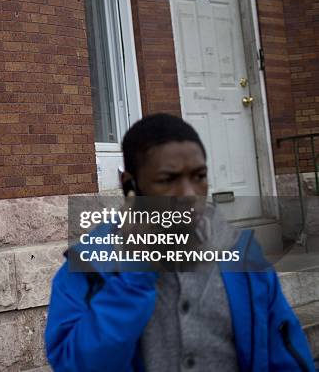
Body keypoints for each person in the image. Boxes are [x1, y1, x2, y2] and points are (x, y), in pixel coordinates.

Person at [45, 113, 314, 371]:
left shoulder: (242, 257)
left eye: (199, 176)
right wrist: (133, 277)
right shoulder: (88, 268)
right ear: (130, 184)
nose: (189, 194)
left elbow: (286, 356)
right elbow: (77, 364)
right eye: (167, 179)